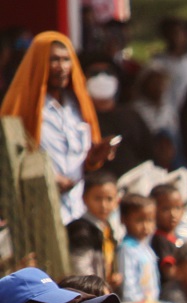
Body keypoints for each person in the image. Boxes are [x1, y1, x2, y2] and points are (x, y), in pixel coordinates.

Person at [0, 33, 114, 224]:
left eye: (66, 59)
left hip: (78, 210)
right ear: (39, 62)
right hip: (38, 210)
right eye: (54, 60)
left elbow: (81, 161)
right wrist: (47, 176)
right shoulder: (24, 106)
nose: (61, 67)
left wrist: (95, 157)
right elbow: (8, 156)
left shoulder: (77, 106)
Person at [86, 70, 153, 178]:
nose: (102, 78)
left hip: (132, 179)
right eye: (95, 73)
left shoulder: (131, 116)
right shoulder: (81, 118)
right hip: (95, 181)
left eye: (108, 72)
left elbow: (148, 150)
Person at [73, 171, 119, 286]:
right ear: (84, 199)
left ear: (117, 200)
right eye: (97, 199)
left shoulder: (107, 227)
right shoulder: (80, 229)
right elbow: (80, 267)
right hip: (89, 290)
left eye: (109, 199)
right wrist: (96, 287)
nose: (103, 205)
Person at [117, 194, 162, 303]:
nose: (146, 226)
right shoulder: (127, 249)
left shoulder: (146, 248)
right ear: (124, 219)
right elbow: (128, 284)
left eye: (150, 220)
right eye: (139, 220)